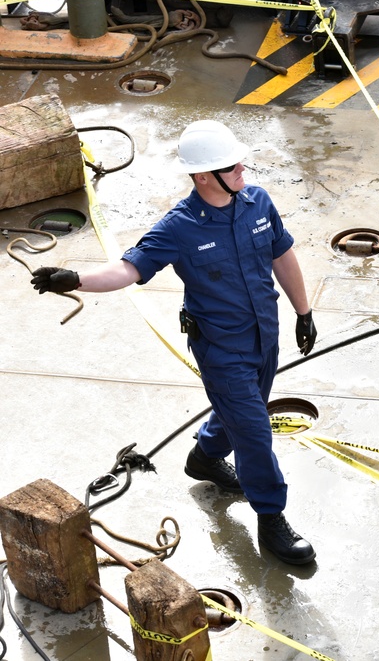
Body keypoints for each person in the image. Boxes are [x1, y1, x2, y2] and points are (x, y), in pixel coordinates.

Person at [30, 120, 318, 565]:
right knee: (256, 435)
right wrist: (75, 279)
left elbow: (282, 255)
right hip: (222, 350)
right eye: (230, 164)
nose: (242, 167)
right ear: (203, 176)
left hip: (265, 338)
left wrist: (304, 312)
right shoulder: (179, 228)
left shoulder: (258, 202)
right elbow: (128, 270)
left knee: (244, 414)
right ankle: (272, 519)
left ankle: (204, 457)